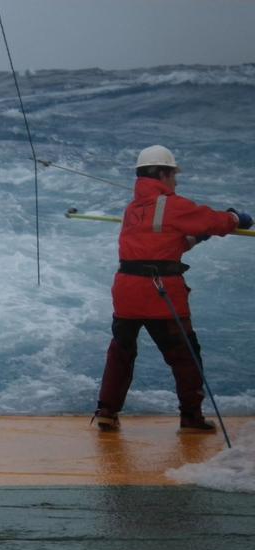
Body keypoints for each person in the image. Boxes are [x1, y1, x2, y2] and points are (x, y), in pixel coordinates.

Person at [94, 145, 252, 433]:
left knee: (121, 351)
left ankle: (106, 411)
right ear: (163, 173)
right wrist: (235, 218)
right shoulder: (172, 205)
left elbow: (158, 248)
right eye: (173, 175)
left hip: (126, 292)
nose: (176, 182)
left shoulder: (133, 210)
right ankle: (191, 418)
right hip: (159, 293)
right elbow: (215, 221)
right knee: (185, 355)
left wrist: (195, 240)